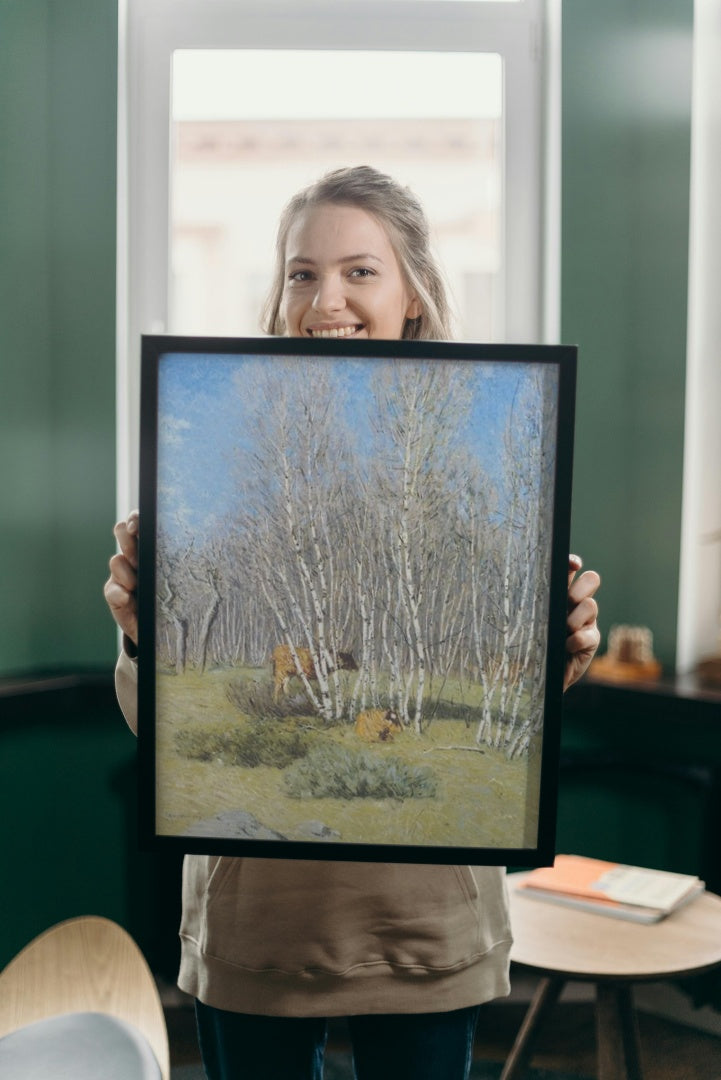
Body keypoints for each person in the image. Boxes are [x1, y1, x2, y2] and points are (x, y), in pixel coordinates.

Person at [105, 166, 601, 1080]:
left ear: (412, 292)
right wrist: (144, 636)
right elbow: (165, 733)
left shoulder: (485, 450)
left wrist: (553, 654)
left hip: (424, 924)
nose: (324, 298)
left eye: (359, 271)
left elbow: (508, 718)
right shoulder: (223, 448)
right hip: (257, 925)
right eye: (301, 272)